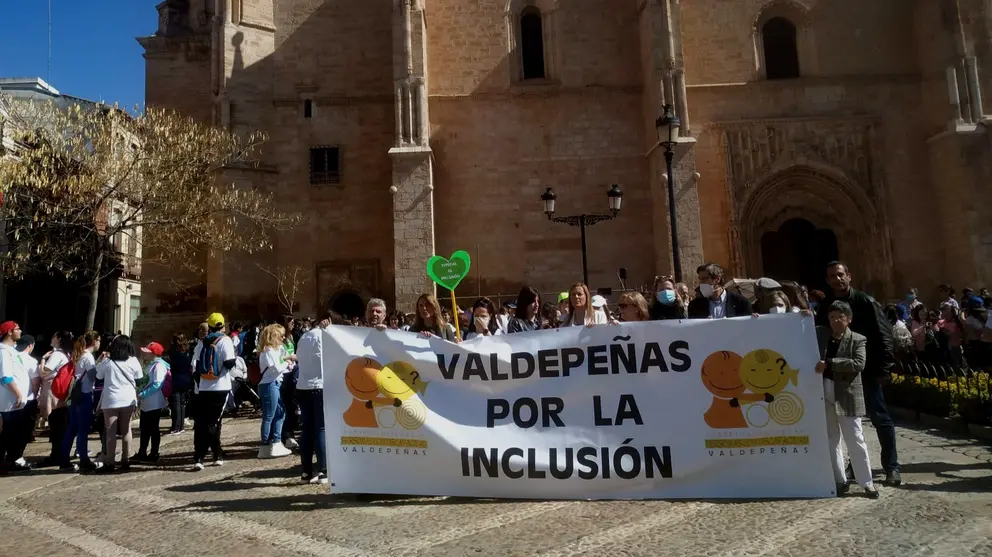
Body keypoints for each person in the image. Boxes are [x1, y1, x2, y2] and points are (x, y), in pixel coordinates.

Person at [815, 261, 900, 486]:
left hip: (867, 370)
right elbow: (820, 334)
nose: (837, 279)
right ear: (828, 280)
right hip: (839, 375)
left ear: (849, 276)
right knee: (849, 424)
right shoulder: (826, 306)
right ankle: (855, 467)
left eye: (841, 274)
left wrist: (885, 368)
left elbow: (884, 335)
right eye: (832, 276)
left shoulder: (865, 301)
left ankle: (891, 467)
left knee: (879, 418)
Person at [815, 301, 879, 499]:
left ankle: (866, 482)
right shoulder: (821, 335)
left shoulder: (858, 339)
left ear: (848, 319)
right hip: (823, 393)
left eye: (839, 317)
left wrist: (830, 364)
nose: (835, 321)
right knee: (831, 439)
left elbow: (858, 363)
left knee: (855, 439)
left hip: (847, 395)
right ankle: (839, 480)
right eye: (832, 317)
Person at [295, 311, 346, 484]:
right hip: (319, 386)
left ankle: (306, 472)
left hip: (303, 386)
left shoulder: (304, 337)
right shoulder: (325, 337)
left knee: (307, 429)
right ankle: (323, 471)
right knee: (321, 429)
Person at [192, 313, 237, 471]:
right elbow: (230, 362)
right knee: (214, 422)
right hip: (221, 386)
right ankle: (213, 454)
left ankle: (201, 456)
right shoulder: (226, 341)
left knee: (202, 422)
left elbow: (196, 368)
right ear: (222, 325)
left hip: (204, 387)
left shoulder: (202, 342)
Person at [95, 335, 143, 473]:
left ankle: (110, 462)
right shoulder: (133, 361)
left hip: (111, 400)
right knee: (126, 429)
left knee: (110, 431)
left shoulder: (108, 362)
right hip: (128, 399)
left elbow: (99, 377)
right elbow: (139, 380)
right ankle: (125, 459)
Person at [61, 331, 102, 472]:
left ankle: (64, 458)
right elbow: (92, 377)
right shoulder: (88, 357)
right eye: (99, 340)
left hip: (74, 395)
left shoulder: (78, 354)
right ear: (94, 341)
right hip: (84, 395)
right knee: (83, 429)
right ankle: (84, 459)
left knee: (72, 427)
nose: (99, 343)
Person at [257, 324, 294, 459]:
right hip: (269, 384)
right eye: (281, 335)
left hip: (273, 383)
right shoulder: (268, 351)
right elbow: (277, 368)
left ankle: (274, 442)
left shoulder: (273, 350)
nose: (283, 338)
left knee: (279, 413)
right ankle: (268, 443)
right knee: (270, 415)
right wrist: (288, 361)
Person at [36, 331, 72, 468]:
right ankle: (59, 454)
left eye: (53, 336)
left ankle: (56, 455)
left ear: (58, 339)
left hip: (54, 392)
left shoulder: (56, 354)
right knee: (60, 425)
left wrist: (43, 359)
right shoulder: (66, 354)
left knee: (56, 426)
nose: (51, 338)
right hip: (61, 392)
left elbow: (44, 372)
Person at [0, 321, 30, 474]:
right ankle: (6, 462)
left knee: (14, 433)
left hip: (17, 401)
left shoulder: (12, 351)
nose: (20, 331)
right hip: (10, 401)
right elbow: (6, 377)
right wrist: (18, 393)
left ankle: (11, 460)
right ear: (10, 332)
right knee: (9, 433)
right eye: (17, 329)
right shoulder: (4, 351)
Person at [134, 342, 169, 463]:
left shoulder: (159, 366)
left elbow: (157, 384)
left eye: (147, 352)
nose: (144, 353)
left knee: (153, 428)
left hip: (154, 402)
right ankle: (142, 452)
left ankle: (154, 453)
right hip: (147, 402)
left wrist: (142, 394)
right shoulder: (151, 364)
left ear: (154, 354)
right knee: (144, 428)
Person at [688, 263, 753, 319]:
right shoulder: (695, 305)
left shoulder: (740, 302)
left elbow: (748, 327)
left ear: (717, 279)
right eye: (700, 279)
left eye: (705, 279)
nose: (701, 283)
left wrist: (754, 319)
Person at [166, 334, 192, 435]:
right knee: (182, 403)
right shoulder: (187, 352)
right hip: (186, 379)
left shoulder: (174, 353)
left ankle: (176, 426)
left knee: (176, 403)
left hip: (176, 379)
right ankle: (181, 426)